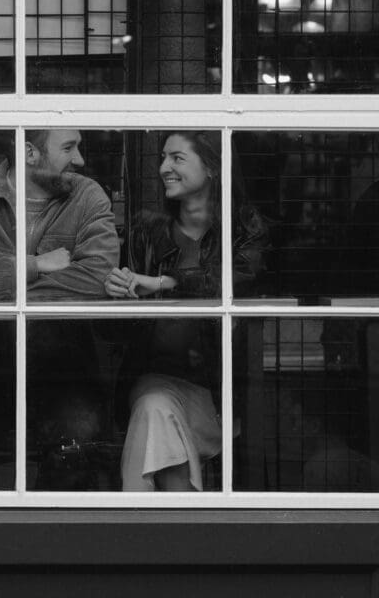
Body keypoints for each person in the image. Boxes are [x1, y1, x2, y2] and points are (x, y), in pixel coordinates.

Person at [0, 128, 120, 489]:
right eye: (69, 148)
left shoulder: (88, 196)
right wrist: (34, 266)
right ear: (30, 153)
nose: (80, 160)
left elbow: (97, 277)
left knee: (81, 432)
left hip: (64, 368)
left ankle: (48, 536)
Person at [105, 131, 268, 492]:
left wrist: (164, 282)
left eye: (177, 158)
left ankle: (154, 529)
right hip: (150, 381)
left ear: (211, 166)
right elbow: (116, 330)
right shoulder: (146, 231)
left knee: (154, 421)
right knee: (153, 406)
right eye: (163, 158)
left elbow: (228, 282)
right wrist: (116, 291)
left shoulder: (243, 228)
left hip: (215, 396)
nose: (164, 168)